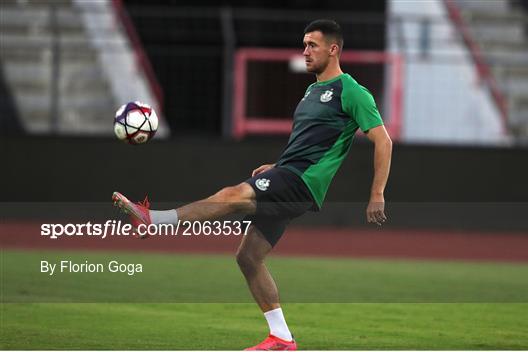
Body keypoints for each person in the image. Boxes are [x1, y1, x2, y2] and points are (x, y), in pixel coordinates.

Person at [113, 19, 392, 351]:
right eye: (303, 44)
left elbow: (383, 140)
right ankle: (282, 338)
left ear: (333, 49)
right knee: (248, 257)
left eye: (311, 45)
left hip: (301, 183)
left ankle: (156, 221)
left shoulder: (352, 91)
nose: (304, 51)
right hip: (288, 174)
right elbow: (308, 143)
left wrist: (377, 193)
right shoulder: (311, 91)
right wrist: (277, 166)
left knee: (232, 195)